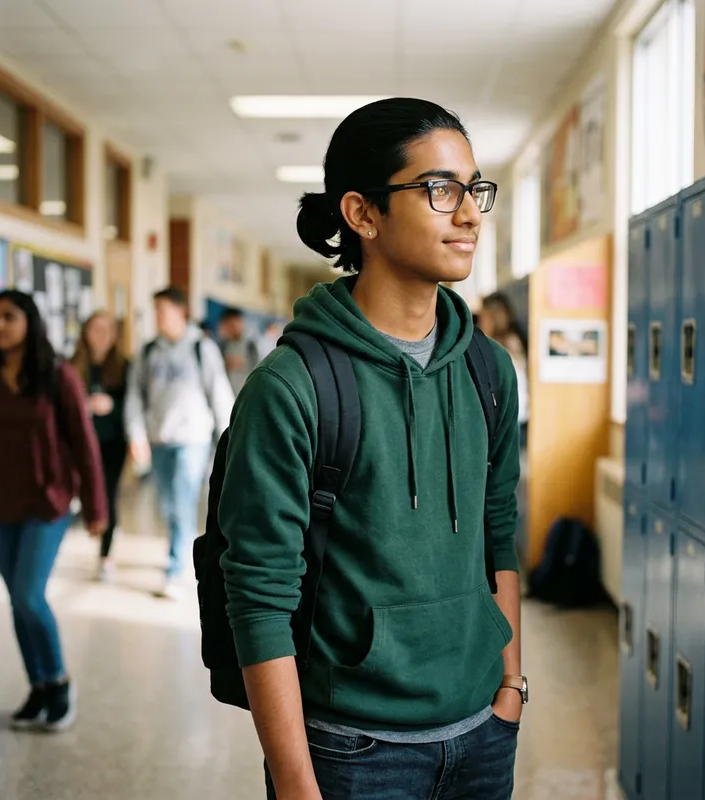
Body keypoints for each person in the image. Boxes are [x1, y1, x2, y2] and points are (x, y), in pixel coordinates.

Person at [219, 98, 525, 800]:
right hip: (353, 751)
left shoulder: (488, 370)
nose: (472, 214)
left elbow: (497, 534)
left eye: (474, 189)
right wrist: (296, 781)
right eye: (440, 191)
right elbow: (259, 594)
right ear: (362, 214)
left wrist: (511, 687)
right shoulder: (292, 386)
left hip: (483, 735)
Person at [0, 290, 106, 732]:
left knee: (28, 595)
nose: (0, 325)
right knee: (17, 603)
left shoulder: (57, 375)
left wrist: (98, 506)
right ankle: (39, 687)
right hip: (3, 504)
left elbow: (84, 445)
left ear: (30, 321)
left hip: (48, 503)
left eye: (8, 316)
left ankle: (59, 682)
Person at [125, 287, 234, 600]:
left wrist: (228, 441)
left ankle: (175, 568)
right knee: (168, 504)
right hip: (159, 440)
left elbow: (219, 394)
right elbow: (135, 396)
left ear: (180, 311)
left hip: (193, 440)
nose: (158, 316)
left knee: (183, 499)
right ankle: (181, 556)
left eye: (163, 309)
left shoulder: (202, 348)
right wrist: (137, 436)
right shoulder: (149, 352)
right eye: (155, 310)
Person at [71, 311, 129, 582]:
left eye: (107, 329)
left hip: (112, 443)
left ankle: (106, 555)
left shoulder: (124, 366)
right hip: (79, 443)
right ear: (85, 332)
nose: (101, 335)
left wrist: (112, 406)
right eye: (96, 329)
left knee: (108, 496)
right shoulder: (72, 366)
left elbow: (133, 406)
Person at [479, 292, 529, 446]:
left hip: (511, 420)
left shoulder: (506, 346)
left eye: (484, 316)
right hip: (513, 417)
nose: (480, 322)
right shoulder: (511, 340)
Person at [217, 306, 261, 395]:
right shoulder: (222, 346)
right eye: (230, 324)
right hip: (227, 397)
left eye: (236, 322)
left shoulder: (250, 346)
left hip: (245, 396)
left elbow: (258, 371)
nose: (234, 327)